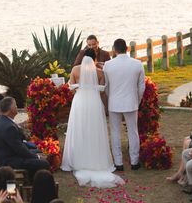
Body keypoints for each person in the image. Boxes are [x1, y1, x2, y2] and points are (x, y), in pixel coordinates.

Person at [61, 54, 123, 188]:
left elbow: (70, 87)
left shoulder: (75, 70)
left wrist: (80, 91)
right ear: (94, 59)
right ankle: (96, 159)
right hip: (94, 103)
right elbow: (101, 91)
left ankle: (78, 158)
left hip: (80, 102)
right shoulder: (100, 72)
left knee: (79, 129)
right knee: (94, 130)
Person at [103, 38, 146, 171]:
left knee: (115, 132)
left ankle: (118, 163)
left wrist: (111, 98)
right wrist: (137, 100)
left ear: (114, 50)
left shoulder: (108, 65)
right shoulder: (137, 64)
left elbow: (106, 87)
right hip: (131, 102)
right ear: (127, 48)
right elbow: (141, 86)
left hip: (114, 102)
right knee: (133, 132)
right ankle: (134, 162)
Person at [0, 97, 49, 179]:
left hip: (10, 155)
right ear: (11, 109)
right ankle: (36, 186)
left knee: (38, 151)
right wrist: (37, 157)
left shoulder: (3, 121)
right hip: (10, 161)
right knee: (44, 163)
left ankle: (31, 181)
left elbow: (19, 145)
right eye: (15, 105)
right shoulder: (8, 127)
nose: (16, 107)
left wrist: (35, 153)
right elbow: (20, 149)